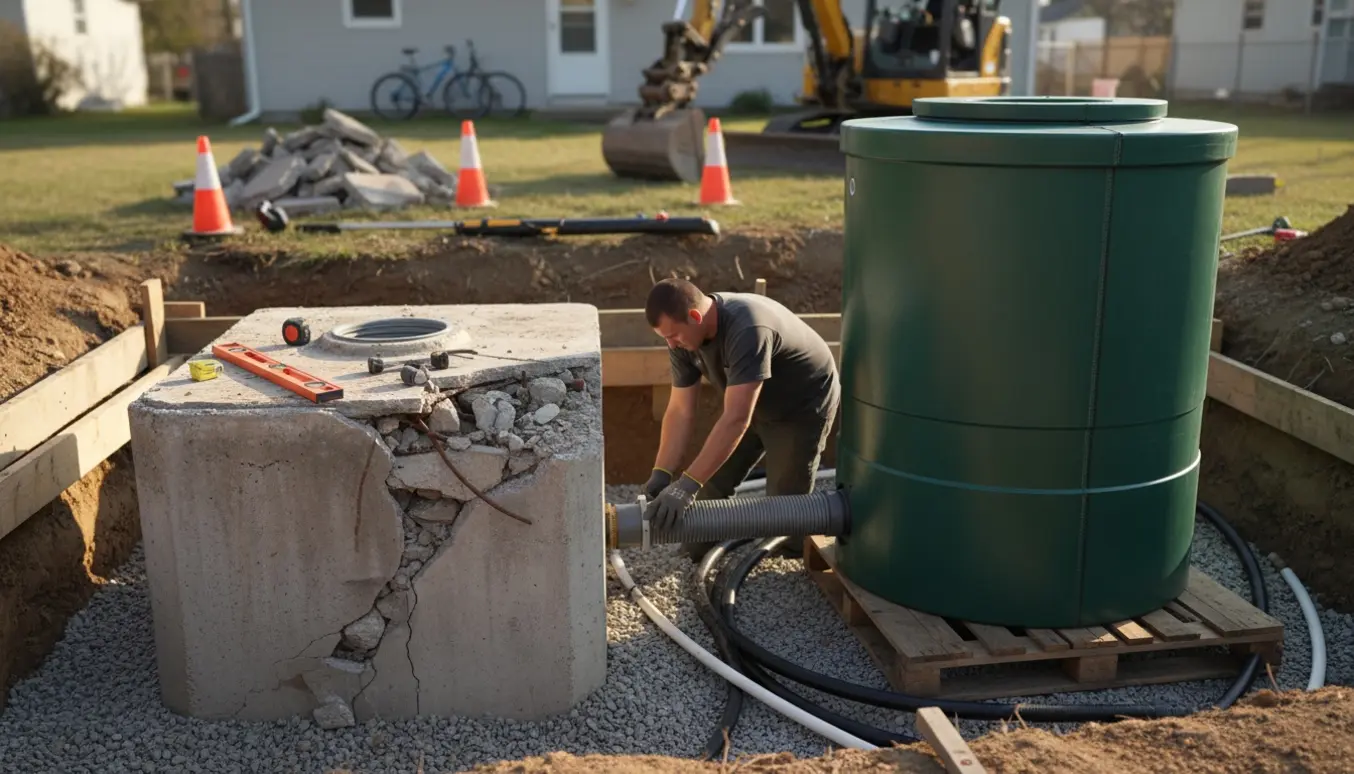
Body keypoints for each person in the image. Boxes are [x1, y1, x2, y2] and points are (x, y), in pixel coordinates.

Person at [641, 278, 841, 561]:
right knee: (709, 484)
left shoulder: (747, 328)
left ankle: (784, 565)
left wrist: (685, 487)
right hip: (749, 403)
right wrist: (662, 473)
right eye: (665, 338)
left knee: (784, 509)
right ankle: (697, 550)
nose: (671, 344)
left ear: (695, 316)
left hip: (800, 406)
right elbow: (680, 410)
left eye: (673, 335)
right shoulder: (683, 341)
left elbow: (736, 419)